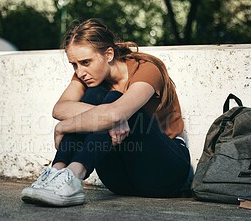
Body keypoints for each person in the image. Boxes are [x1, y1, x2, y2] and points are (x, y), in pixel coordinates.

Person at [21, 18, 191, 207]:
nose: (80, 72)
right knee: (98, 97)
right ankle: (57, 173)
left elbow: (115, 112)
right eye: (74, 65)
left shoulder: (146, 68)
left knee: (113, 100)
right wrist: (108, 116)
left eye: (85, 62)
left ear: (108, 54)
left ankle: (74, 174)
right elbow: (60, 108)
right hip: (122, 181)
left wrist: (65, 126)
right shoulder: (87, 75)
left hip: (167, 174)